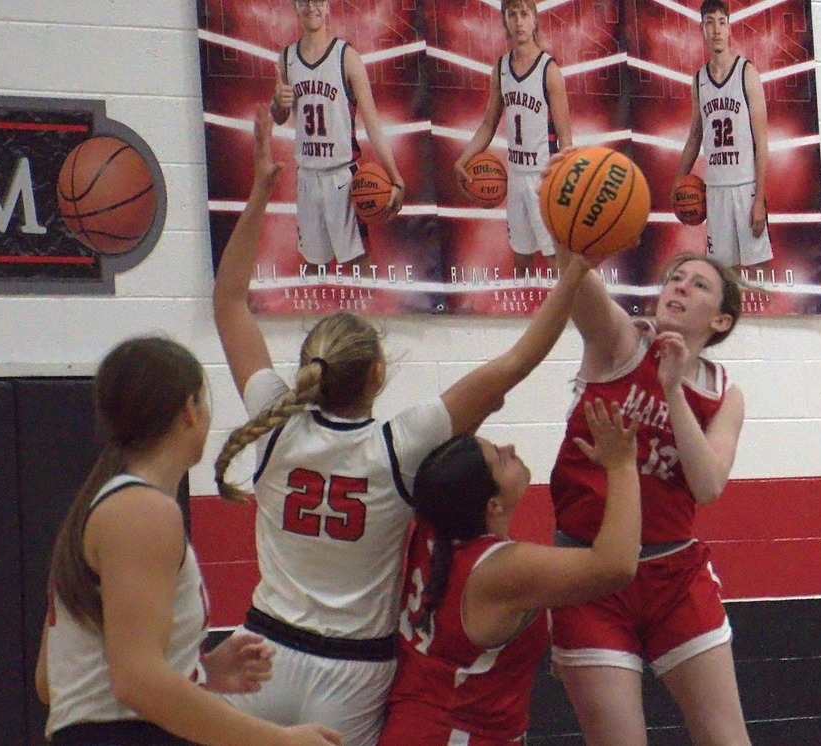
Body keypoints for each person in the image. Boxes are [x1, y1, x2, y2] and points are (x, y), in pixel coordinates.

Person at [211, 104, 593, 746]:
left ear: (311, 366)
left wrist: (257, 197)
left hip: (259, 651)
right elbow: (517, 362)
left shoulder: (273, 422)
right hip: (351, 672)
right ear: (379, 376)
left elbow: (227, 305)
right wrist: (574, 269)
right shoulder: (399, 443)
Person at [35, 337, 340, 746]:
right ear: (189, 411)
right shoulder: (142, 511)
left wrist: (200, 671)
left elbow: (51, 681)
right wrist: (281, 740)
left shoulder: (106, 504)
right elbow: (137, 682)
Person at [550, 254, 752, 745]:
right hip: (589, 572)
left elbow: (707, 486)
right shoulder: (621, 343)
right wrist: (568, 233)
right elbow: (581, 287)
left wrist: (673, 390)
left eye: (699, 285)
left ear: (721, 320)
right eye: (674, 278)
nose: (680, 287)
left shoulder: (724, 392)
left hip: (673, 575)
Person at [377, 400, 641, 745]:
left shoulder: (433, 521)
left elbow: (453, 455)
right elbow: (615, 566)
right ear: (493, 505)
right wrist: (622, 466)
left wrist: (485, 404)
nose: (511, 448)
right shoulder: (500, 569)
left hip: (413, 726)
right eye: (501, 458)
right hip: (451, 736)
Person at [270, 0, 404, 273]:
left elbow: (373, 125)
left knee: (358, 265)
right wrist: (278, 103)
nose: (311, 8)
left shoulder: (346, 57)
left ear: (328, 5)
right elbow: (280, 116)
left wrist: (396, 178)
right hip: (307, 176)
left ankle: (368, 314)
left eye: (317, 1)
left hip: (343, 178)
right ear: (295, 7)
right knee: (312, 266)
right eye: (304, 2)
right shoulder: (287, 58)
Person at [453, 0, 572, 276]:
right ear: (504, 20)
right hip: (515, 178)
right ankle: (525, 318)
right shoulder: (501, 69)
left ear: (535, 19)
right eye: (512, 14)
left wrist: (562, 179)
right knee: (521, 260)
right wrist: (464, 158)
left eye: (524, 14)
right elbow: (488, 124)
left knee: (556, 261)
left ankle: (565, 318)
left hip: (544, 179)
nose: (519, 22)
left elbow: (566, 138)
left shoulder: (549, 70)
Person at [672, 0, 772, 270]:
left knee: (756, 270)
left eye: (721, 22)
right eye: (709, 22)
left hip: (745, 188)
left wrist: (760, 199)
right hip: (715, 190)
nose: (716, 29)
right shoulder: (699, 80)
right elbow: (695, 135)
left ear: (729, 29)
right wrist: (679, 181)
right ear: (702, 29)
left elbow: (762, 143)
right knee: (722, 275)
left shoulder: (746, 73)